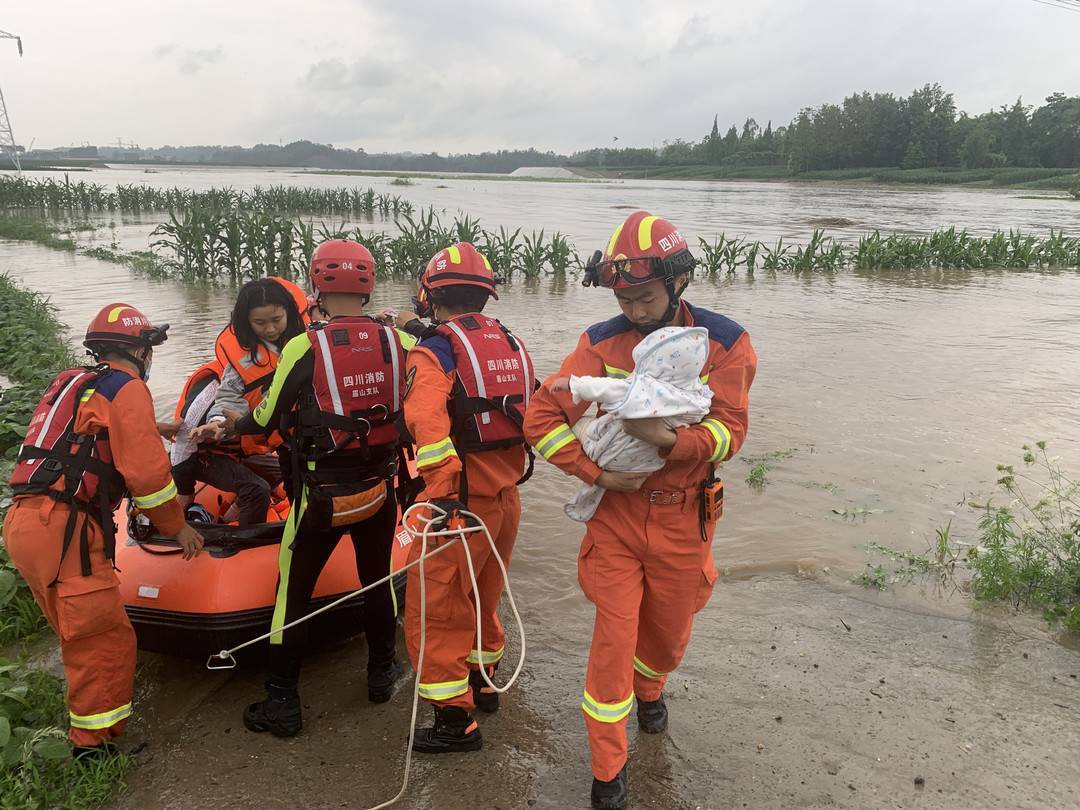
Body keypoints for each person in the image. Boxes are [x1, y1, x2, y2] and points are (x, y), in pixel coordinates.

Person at [523, 211, 757, 809]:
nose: (634, 309)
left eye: (645, 297)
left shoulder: (724, 342)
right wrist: (595, 473)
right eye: (624, 298)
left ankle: (651, 688)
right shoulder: (600, 342)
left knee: (669, 634)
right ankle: (608, 771)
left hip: (686, 515)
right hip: (617, 518)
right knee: (612, 635)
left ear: (678, 283)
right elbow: (541, 417)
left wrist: (666, 439)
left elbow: (731, 432)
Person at [219, 240, 408, 737]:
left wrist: (233, 426)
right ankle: (382, 675)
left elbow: (267, 416)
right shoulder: (399, 342)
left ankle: (283, 701)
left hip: (320, 495)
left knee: (292, 593)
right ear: (368, 284)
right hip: (380, 487)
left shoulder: (305, 345)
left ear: (317, 284)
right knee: (377, 581)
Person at [3, 303, 204, 758]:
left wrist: (154, 428)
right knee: (105, 640)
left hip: (24, 524)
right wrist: (178, 529)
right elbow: (149, 481)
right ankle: (93, 748)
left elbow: (80, 437)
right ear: (140, 351)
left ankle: (86, 720)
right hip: (66, 531)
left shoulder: (70, 381)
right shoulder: (129, 387)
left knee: (77, 633)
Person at [400, 242, 536, 753]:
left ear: (430, 295)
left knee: (436, 607)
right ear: (485, 296)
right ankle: (484, 682)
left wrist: (440, 498)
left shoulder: (435, 350)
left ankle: (454, 723)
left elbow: (428, 427)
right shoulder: (510, 343)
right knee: (484, 593)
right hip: (504, 499)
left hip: (457, 503)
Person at [178, 278, 308, 525]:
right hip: (216, 451)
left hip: (291, 438)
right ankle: (245, 541)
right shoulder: (239, 364)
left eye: (276, 320)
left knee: (296, 478)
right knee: (258, 488)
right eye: (260, 323)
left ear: (289, 314)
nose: (270, 329)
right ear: (246, 323)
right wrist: (217, 423)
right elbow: (228, 397)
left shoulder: (307, 343)